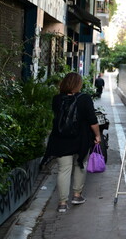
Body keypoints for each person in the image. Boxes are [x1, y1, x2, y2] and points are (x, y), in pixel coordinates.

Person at [43, 72, 100, 213]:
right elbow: (93, 120)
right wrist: (97, 135)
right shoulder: (85, 99)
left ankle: (62, 203)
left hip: (60, 139)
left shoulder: (57, 99)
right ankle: (76, 195)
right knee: (80, 164)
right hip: (81, 139)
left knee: (64, 170)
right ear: (78, 84)